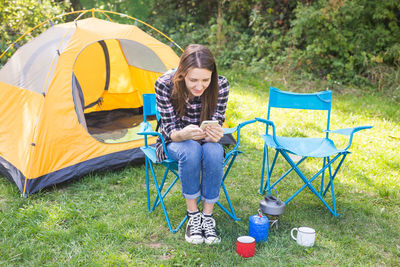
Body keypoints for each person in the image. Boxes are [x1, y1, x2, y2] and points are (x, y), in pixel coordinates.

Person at [154, 44, 229, 244]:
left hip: (204, 141)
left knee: (214, 150)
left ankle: (207, 216)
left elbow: (217, 119)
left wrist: (214, 134)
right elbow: (169, 130)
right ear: (182, 75)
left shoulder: (221, 85)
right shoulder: (164, 84)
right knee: (191, 148)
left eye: (205, 80)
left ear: (212, 76)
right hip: (175, 141)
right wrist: (182, 134)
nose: (199, 86)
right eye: (193, 80)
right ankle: (193, 215)